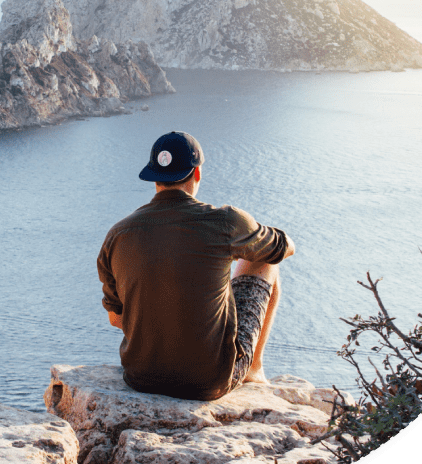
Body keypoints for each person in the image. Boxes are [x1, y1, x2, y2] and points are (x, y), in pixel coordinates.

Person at [97, 131, 295, 401]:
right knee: (265, 261)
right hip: (208, 382)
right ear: (197, 173)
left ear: (154, 178)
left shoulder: (118, 234)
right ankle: (253, 370)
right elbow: (284, 248)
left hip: (141, 377)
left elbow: (116, 318)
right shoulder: (225, 222)